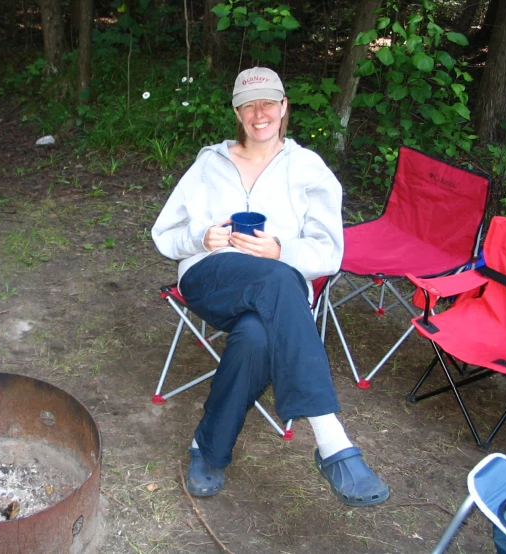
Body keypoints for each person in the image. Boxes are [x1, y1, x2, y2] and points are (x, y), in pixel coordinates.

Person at [151, 67, 389, 507]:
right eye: (248, 105)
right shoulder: (209, 163)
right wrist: (201, 239)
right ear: (238, 114)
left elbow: (329, 253)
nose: (259, 113)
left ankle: (209, 448)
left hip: (280, 290)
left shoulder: (309, 168)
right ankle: (331, 439)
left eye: (268, 103)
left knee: (257, 335)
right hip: (212, 276)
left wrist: (280, 249)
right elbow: (165, 234)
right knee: (278, 283)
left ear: (283, 108)